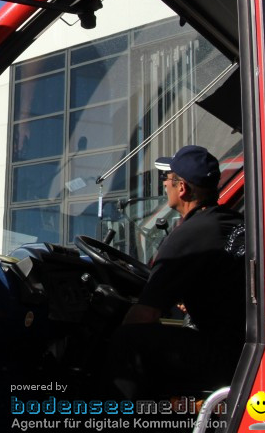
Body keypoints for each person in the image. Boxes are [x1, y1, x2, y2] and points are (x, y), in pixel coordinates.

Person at [108, 145, 245, 399]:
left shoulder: (187, 236)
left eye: (167, 179)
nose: (164, 185)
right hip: (245, 349)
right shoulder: (231, 221)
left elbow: (145, 314)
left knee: (126, 340)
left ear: (182, 188)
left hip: (222, 356)